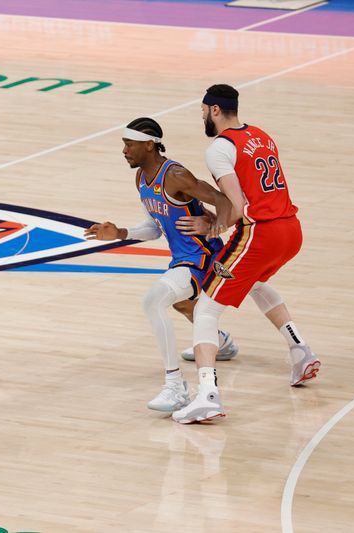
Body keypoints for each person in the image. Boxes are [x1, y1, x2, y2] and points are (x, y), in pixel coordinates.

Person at [171, 84, 320, 425]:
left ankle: (207, 395)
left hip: (262, 233)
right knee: (254, 284)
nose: (203, 117)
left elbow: (238, 207)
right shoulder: (261, 136)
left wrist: (214, 226)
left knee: (206, 308)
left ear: (215, 111)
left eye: (204, 111)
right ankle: (300, 351)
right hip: (290, 230)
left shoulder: (219, 148)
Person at [84, 117, 238, 413]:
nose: (124, 150)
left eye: (129, 144)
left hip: (203, 258)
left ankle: (175, 386)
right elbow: (154, 228)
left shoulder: (176, 174)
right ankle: (222, 342)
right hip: (183, 258)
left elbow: (223, 201)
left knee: (154, 301)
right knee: (182, 305)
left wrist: (214, 226)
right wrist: (119, 234)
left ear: (149, 144)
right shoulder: (141, 178)